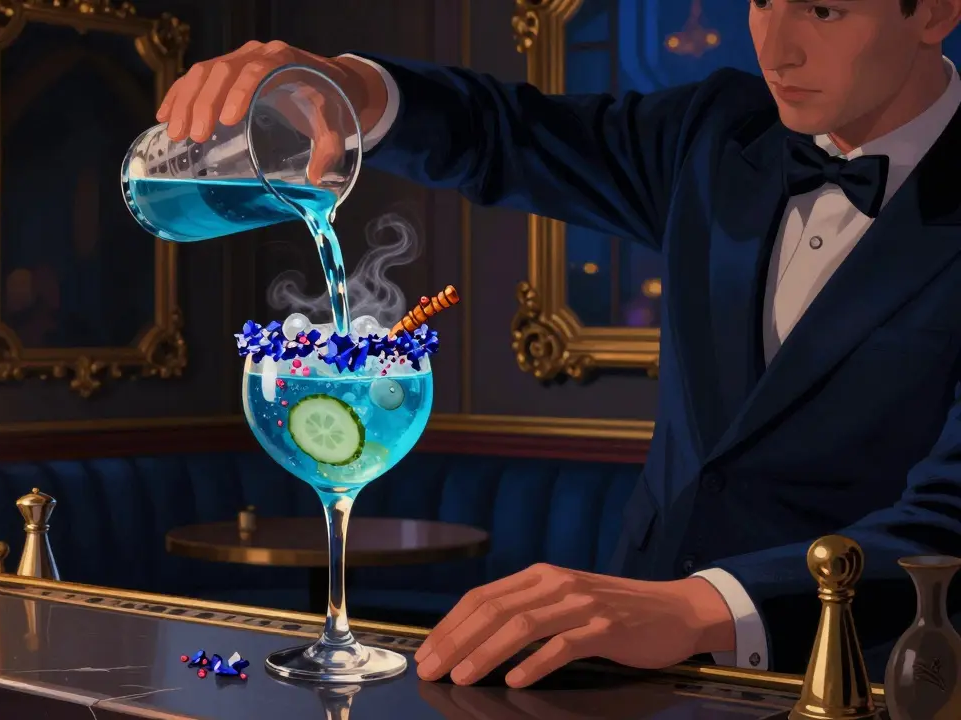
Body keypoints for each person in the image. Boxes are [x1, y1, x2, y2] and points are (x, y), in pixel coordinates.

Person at [159, 0, 961, 688]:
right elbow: (507, 135)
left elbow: (948, 524)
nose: (776, 48)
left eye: (823, 10)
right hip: (635, 675)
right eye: (761, 0)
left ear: (934, 10)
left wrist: (697, 607)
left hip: (886, 674)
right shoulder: (718, 133)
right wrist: (349, 89)